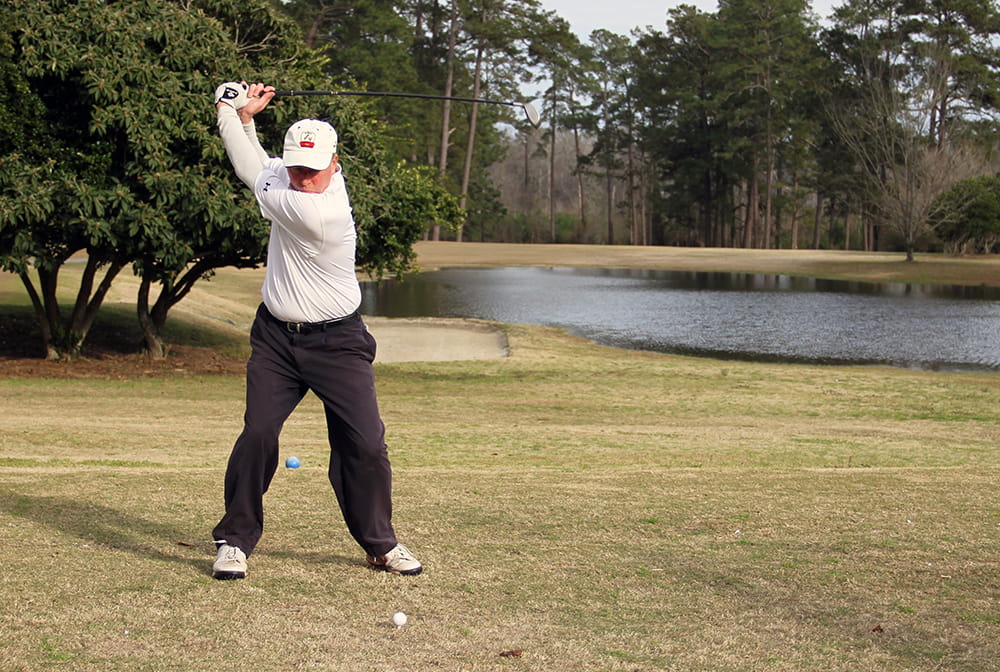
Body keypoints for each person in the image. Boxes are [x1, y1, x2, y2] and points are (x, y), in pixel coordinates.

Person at [209, 81, 421, 580]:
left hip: (338, 343)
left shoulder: (320, 212)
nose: (304, 179)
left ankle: (380, 544)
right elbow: (262, 164)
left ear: (335, 163)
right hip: (276, 340)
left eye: (314, 169)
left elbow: (251, 170)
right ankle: (234, 540)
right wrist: (245, 121)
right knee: (258, 433)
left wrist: (226, 107)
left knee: (366, 444)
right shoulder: (288, 179)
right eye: (297, 168)